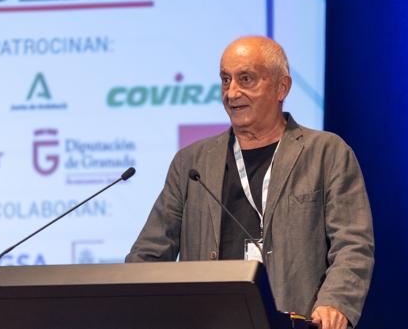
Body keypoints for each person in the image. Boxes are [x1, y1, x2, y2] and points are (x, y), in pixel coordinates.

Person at [126, 36, 374, 329]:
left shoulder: (326, 152)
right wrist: (131, 303)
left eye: (246, 79)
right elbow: (150, 253)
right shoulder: (192, 162)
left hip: (295, 320)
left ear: (282, 87)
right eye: (225, 80)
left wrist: (336, 302)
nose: (232, 93)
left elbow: (353, 244)